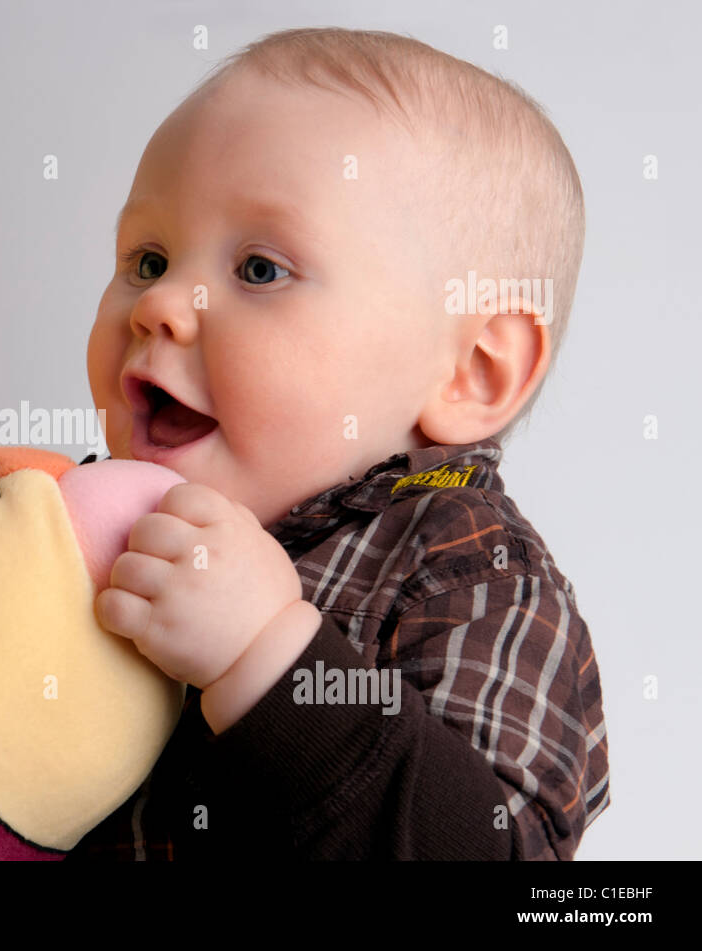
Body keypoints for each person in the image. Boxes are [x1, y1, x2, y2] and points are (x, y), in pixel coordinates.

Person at [68, 27, 608, 860]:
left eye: (258, 269)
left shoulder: (468, 571)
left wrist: (265, 657)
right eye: (147, 258)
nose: (161, 303)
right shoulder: (84, 519)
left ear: (472, 371)